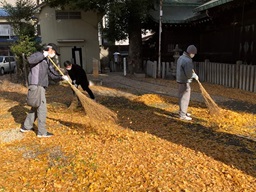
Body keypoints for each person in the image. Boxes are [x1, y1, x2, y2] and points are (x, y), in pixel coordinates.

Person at [20, 43, 69, 137]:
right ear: (50, 49)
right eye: (54, 52)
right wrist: (43, 54)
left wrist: (61, 77)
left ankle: (26, 126)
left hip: (41, 86)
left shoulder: (47, 60)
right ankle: (42, 132)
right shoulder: (38, 55)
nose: (54, 54)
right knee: (42, 108)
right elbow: (30, 60)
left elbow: (52, 74)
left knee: (36, 107)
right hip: (36, 85)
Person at [176, 45, 199, 121]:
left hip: (180, 79)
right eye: (194, 54)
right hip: (184, 81)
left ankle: (183, 112)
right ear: (191, 53)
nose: (194, 55)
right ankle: (182, 115)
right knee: (185, 98)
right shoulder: (187, 61)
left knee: (181, 97)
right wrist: (194, 75)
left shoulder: (181, 57)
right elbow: (189, 74)